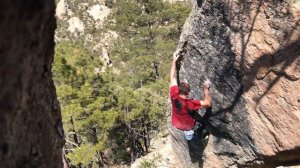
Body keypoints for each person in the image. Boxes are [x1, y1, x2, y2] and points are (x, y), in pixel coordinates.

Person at [169, 48, 212, 133]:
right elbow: (208, 104)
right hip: (188, 125)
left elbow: (172, 77)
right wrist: (206, 90)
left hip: (176, 123)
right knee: (197, 129)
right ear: (188, 93)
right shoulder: (189, 103)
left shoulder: (173, 94)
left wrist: (174, 60)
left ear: (179, 89)